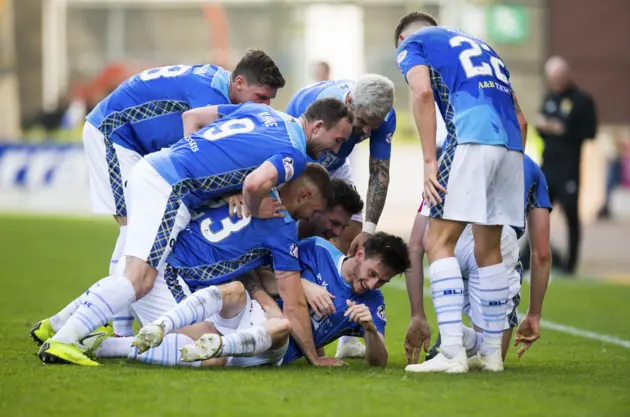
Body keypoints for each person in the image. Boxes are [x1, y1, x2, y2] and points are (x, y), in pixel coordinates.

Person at [36, 99, 352, 366]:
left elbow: (194, 117)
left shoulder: (263, 112)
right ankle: (69, 342)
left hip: (157, 169)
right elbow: (256, 184)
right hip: (171, 187)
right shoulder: (293, 154)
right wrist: (254, 205)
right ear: (318, 126)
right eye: (338, 140)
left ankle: (58, 324)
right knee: (148, 287)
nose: (335, 149)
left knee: (135, 272)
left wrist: (208, 173)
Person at [82, 49, 285, 337]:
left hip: (138, 143)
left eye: (269, 100)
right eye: (261, 97)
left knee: (139, 234)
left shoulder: (219, 87)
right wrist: (231, 192)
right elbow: (202, 155)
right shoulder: (210, 98)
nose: (264, 106)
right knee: (133, 231)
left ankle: (116, 323)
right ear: (239, 83)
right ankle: (120, 328)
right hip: (113, 133)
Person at [394, 12, 528, 373]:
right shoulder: (483, 46)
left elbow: (422, 93)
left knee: (438, 242)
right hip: (511, 146)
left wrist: (428, 161)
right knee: (489, 250)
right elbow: (522, 120)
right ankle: (490, 355)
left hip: (471, 138)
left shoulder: (413, 43)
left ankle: (452, 352)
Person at [97, 233, 410, 369]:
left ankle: (107, 347)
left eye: (381, 280)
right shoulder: (317, 249)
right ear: (359, 253)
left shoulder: (372, 300)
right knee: (232, 289)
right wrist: (301, 285)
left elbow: (378, 361)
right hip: (253, 308)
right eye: (371, 273)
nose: (371, 283)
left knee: (217, 353)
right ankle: (101, 343)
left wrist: (369, 328)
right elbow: (260, 268)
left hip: (273, 344)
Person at [284, 75, 395, 359]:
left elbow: (379, 173)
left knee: (350, 230)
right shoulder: (320, 108)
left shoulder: (383, 115)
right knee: (298, 225)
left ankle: (347, 328)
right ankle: (293, 290)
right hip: (304, 157)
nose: (367, 131)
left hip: (336, 162)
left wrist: (369, 229)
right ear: (347, 104)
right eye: (361, 123)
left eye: (374, 126)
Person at [407, 155, 552, 367]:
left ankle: (453, 339)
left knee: (484, 356)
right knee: (492, 358)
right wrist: (534, 314)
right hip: (496, 241)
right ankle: (457, 341)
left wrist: (417, 315)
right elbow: (541, 254)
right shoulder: (529, 167)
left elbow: (415, 245)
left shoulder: (454, 154)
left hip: (447, 239)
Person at [535, 56, 597, 274]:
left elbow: (590, 132)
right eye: (552, 78)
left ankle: (571, 264)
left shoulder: (582, 100)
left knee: (571, 214)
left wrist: (563, 129)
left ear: (567, 75)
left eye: (559, 77)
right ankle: (531, 255)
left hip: (569, 168)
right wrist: (545, 127)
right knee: (538, 212)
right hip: (548, 167)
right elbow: (541, 128)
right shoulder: (550, 97)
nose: (556, 81)